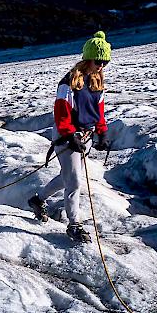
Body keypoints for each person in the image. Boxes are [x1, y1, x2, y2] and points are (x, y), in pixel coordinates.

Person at [28, 31, 112, 243]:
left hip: (85, 136)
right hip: (67, 136)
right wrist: (69, 135)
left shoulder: (96, 81)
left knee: (69, 176)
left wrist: (101, 132)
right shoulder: (69, 82)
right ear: (88, 59)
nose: (101, 65)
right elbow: (62, 112)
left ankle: (37, 200)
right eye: (98, 60)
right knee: (74, 180)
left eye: (106, 62)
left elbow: (98, 111)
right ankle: (74, 224)